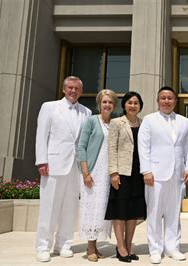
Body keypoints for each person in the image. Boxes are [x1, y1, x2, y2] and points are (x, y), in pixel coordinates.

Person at [35, 76, 91, 262]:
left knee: (70, 208)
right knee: (49, 207)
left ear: (81, 91)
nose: (73, 91)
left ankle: (64, 243)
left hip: (76, 168)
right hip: (53, 165)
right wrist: (41, 161)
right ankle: (43, 246)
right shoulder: (49, 107)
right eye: (69, 87)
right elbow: (41, 135)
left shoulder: (87, 112)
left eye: (76, 88)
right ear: (64, 89)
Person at [138, 86, 188, 264]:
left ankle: (172, 247)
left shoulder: (184, 121)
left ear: (175, 101)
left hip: (177, 174)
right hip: (155, 174)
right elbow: (143, 147)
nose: (167, 101)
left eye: (170, 98)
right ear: (157, 100)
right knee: (154, 213)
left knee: (173, 213)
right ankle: (155, 249)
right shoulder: (149, 120)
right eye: (163, 98)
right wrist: (146, 170)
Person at [106, 91, 147, 263]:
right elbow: (111, 148)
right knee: (120, 211)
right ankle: (120, 247)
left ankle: (128, 246)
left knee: (133, 212)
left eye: (136, 103)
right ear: (124, 105)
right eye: (130, 102)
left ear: (140, 106)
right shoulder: (116, 123)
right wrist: (113, 172)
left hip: (138, 174)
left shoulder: (144, 124)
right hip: (122, 174)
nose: (133, 105)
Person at [77, 89, 116, 262]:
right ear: (99, 104)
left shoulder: (113, 124)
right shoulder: (92, 121)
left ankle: (95, 245)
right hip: (92, 172)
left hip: (107, 173)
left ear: (114, 105)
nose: (107, 105)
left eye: (110, 102)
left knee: (101, 210)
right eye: (104, 102)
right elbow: (81, 147)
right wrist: (85, 173)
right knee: (91, 208)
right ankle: (90, 247)